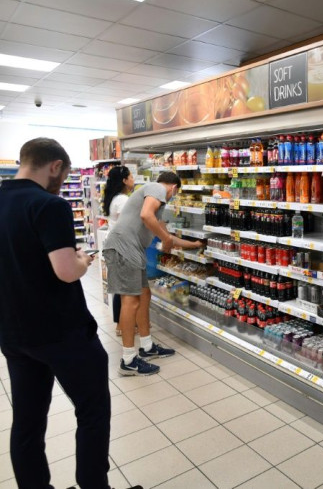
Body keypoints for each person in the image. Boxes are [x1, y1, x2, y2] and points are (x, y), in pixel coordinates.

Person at [0, 138, 112, 488]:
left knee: (27, 423)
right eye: (63, 175)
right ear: (55, 166)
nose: (62, 183)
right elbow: (66, 271)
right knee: (93, 412)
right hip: (62, 333)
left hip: (14, 334)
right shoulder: (49, 205)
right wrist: (82, 259)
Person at [104, 171, 203, 376]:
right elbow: (146, 216)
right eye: (174, 194)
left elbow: (167, 236)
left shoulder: (155, 206)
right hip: (123, 248)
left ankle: (147, 347)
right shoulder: (157, 188)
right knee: (130, 301)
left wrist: (194, 245)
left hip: (133, 250)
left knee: (144, 295)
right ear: (174, 188)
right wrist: (166, 239)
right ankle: (128, 360)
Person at [102, 166, 135, 336]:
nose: (133, 179)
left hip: (113, 244)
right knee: (124, 289)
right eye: (131, 176)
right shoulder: (122, 199)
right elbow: (126, 224)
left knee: (120, 287)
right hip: (121, 246)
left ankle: (121, 324)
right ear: (124, 180)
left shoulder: (113, 197)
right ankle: (122, 326)